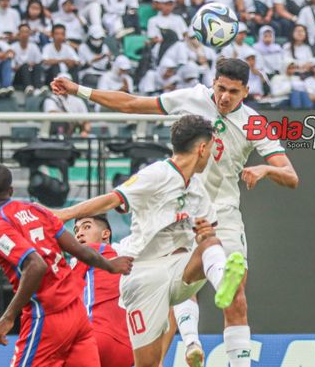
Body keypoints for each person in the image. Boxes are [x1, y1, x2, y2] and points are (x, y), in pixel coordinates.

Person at [52, 59, 299, 367]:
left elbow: (291, 176)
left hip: (220, 213)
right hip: (175, 208)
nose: (224, 97)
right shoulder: (191, 100)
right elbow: (130, 104)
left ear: (246, 92)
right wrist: (79, 90)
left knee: (234, 295)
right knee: (169, 292)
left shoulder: (254, 124)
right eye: (220, 88)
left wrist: (264, 169)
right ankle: (186, 344)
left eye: (233, 92)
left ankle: (213, 348)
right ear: (213, 82)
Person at [54, 114, 249, 367]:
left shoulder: (198, 189)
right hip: (143, 277)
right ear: (202, 149)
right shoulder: (156, 174)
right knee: (148, 364)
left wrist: (203, 233)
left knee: (212, 245)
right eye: (211, 149)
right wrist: (64, 214)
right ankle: (193, 338)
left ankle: (223, 283)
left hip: (179, 269)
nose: (211, 155)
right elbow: (112, 199)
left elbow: (207, 232)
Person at [0, 162, 133, 366]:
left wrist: (8, 316)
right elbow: (78, 249)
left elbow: (36, 265)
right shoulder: (36, 210)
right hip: (77, 315)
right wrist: (111, 266)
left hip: (46, 314)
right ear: (11, 190)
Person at [70, 215, 134, 367]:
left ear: (105, 234)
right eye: (76, 230)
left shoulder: (89, 253)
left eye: (86, 227)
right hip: (127, 349)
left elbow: (61, 290)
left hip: (95, 337)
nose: (79, 233)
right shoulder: (124, 262)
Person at [11, 24, 45, 95]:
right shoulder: (12, 47)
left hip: (31, 74)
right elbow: (12, 68)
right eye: (22, 32)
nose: (24, 34)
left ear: (29, 34)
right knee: (25, 66)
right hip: (17, 77)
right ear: (18, 34)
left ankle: (38, 88)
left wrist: (31, 64)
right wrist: (24, 65)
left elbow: (39, 62)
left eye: (26, 32)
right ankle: (28, 87)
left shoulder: (34, 46)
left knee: (37, 67)